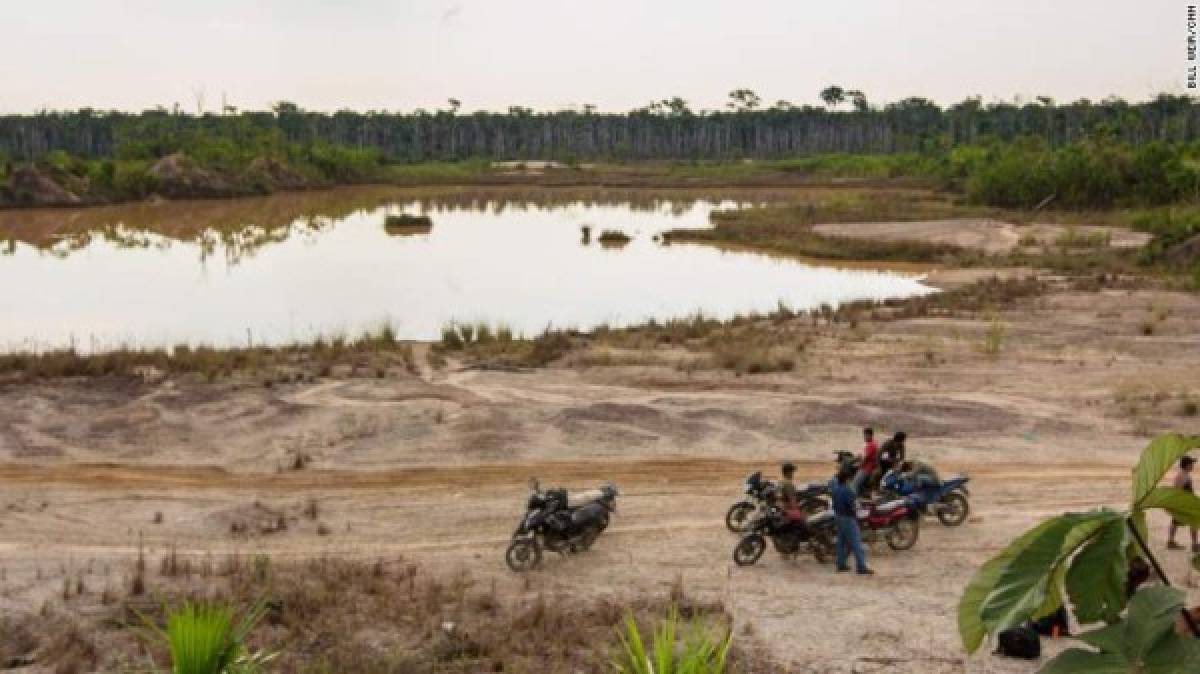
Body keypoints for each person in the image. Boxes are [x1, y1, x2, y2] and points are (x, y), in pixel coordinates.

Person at [830, 465, 872, 575]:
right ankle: (861, 566)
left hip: (838, 517)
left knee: (841, 542)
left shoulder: (835, 489)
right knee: (856, 543)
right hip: (848, 518)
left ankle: (840, 564)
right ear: (847, 479)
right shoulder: (847, 491)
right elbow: (853, 505)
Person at [1168, 456, 1197, 552]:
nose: (1193, 466)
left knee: (1175, 521)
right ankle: (1194, 544)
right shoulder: (1182, 476)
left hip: (1185, 503)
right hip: (1184, 504)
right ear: (1187, 465)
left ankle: (1171, 541)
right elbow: (1177, 491)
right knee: (1193, 521)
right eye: (1191, 464)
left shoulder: (1184, 474)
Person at [853, 427, 879, 495]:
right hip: (869, 465)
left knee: (855, 483)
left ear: (869, 435)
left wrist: (859, 465)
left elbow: (865, 458)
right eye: (864, 435)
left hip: (867, 468)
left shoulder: (871, 445)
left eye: (865, 435)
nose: (864, 437)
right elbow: (863, 454)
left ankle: (855, 497)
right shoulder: (872, 443)